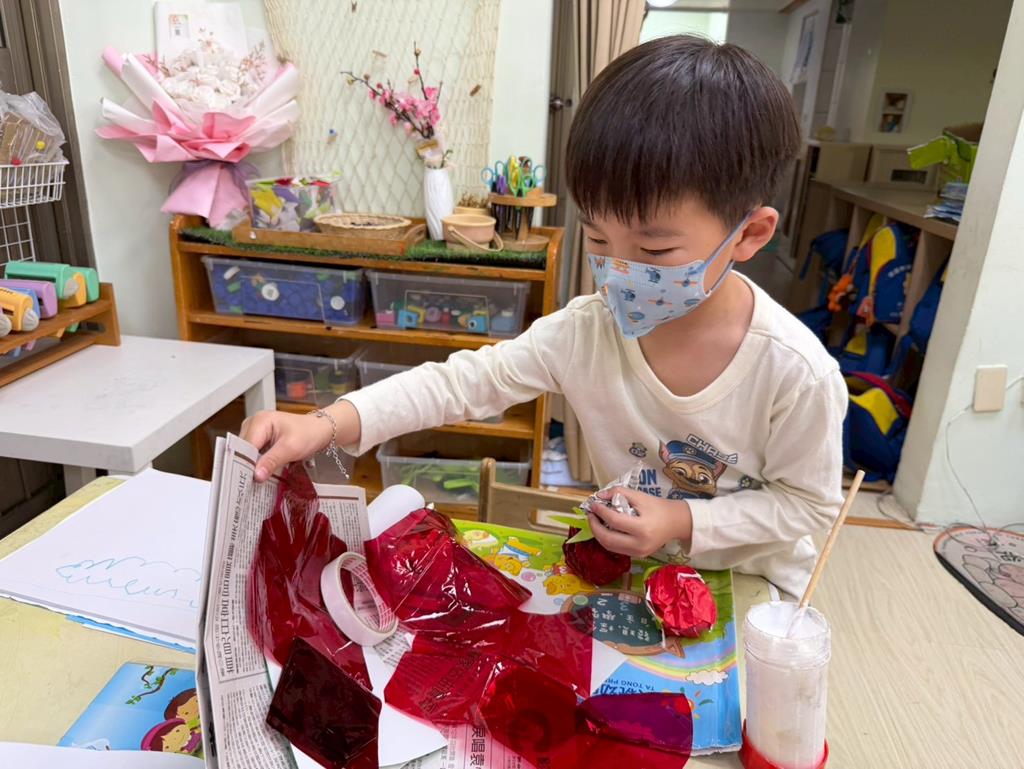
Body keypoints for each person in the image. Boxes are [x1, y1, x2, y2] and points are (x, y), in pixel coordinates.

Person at [242, 35, 846, 597]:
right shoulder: (586, 331)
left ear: (750, 234)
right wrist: (327, 422)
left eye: (655, 250)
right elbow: (461, 383)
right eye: (599, 240)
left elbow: (809, 507)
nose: (617, 273)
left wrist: (683, 520)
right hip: (636, 576)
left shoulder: (795, 372)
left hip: (752, 588)